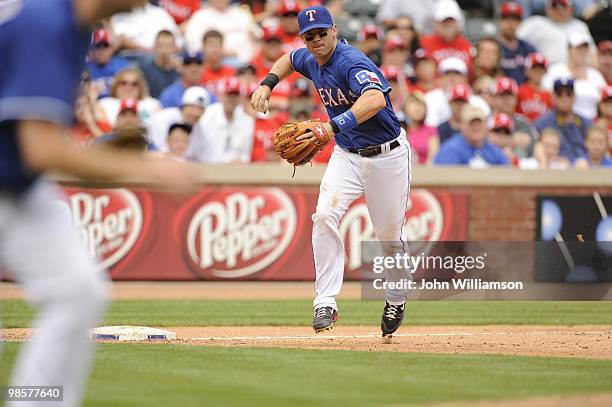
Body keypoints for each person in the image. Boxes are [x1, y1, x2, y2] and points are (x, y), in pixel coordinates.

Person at [0, 2, 197, 407]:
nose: (145, 3)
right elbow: (42, 148)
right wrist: (144, 168)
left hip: (19, 185)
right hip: (15, 180)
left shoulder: (74, 28)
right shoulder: (45, 22)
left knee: (78, 290)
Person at [251, 5, 412, 337]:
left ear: (335, 31)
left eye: (322, 33)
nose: (316, 40)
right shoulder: (309, 57)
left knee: (389, 238)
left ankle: (396, 298)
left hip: (387, 157)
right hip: (347, 155)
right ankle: (325, 300)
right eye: (310, 36)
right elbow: (290, 59)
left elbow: (375, 100)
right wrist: (267, 84)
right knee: (324, 215)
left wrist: (332, 126)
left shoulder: (351, 62)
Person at [542, 31, 606, 120]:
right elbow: (545, 97)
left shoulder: (596, 75)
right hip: (561, 120)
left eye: (585, 48)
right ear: (569, 50)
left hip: (592, 123)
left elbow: (605, 101)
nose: (582, 52)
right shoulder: (555, 71)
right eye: (578, 48)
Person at [190, 76, 255, 163]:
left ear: (240, 98)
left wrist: (241, 161)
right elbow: (199, 151)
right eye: (228, 94)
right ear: (220, 95)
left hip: (236, 171)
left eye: (235, 95)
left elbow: (246, 153)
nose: (232, 99)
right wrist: (226, 162)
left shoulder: (247, 121)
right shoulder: (207, 116)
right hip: (207, 168)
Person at [517, 0, 595, 66]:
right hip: (544, 72)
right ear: (547, 8)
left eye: (563, 6)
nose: (559, 10)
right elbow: (513, 42)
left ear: (571, 9)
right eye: (554, 6)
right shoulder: (534, 23)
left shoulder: (579, 27)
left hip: (576, 72)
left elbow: (593, 54)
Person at [184, 0, 260, 64]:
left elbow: (259, 36)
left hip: (250, 62)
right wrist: (220, 52)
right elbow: (194, 46)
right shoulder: (200, 16)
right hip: (220, 63)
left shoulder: (241, 14)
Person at [424, 57, 490, 127]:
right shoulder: (429, 98)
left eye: (457, 73)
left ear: (465, 78)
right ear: (440, 78)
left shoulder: (478, 102)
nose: (452, 78)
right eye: (448, 73)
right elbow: (429, 128)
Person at [434, 105, 509, 167]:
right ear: (461, 126)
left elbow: (507, 174)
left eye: (479, 123)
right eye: (471, 123)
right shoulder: (450, 149)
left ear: (486, 126)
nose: (476, 127)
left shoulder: (493, 150)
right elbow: (447, 180)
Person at [535, 78, 591, 161]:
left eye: (568, 94)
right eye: (559, 94)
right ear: (553, 96)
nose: (564, 98)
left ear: (574, 97)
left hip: (586, 169)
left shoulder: (585, 122)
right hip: (556, 169)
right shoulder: (543, 123)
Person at [147, 86, 209, 151]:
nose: (195, 112)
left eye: (200, 109)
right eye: (192, 107)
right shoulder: (163, 118)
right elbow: (157, 149)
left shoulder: (200, 129)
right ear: (183, 106)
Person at [490, 76, 538, 157]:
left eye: (509, 95)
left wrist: (499, 140)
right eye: (502, 95)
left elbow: (533, 147)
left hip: (517, 165)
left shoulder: (523, 123)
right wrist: (511, 140)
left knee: (520, 151)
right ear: (493, 98)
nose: (506, 99)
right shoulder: (485, 120)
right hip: (487, 165)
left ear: (516, 99)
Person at [98, 67, 162, 125]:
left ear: (141, 87)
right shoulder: (104, 103)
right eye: (123, 83)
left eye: (134, 84)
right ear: (116, 85)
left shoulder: (152, 104)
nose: (129, 87)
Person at [110, 1, 182, 52]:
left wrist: (166, 50)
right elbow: (121, 40)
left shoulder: (160, 12)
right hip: (137, 57)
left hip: (167, 57)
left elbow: (179, 41)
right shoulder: (119, 17)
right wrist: (150, 51)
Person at [420, 0, 472, 68]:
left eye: (451, 20)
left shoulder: (465, 45)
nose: (448, 24)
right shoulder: (424, 44)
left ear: (458, 23)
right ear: (436, 22)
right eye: (443, 20)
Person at [496, 2, 537, 85]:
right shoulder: (492, 46)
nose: (510, 23)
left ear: (520, 23)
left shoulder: (528, 48)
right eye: (506, 18)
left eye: (515, 19)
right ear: (500, 21)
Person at [86, 29, 131, 98]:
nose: (101, 51)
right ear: (91, 50)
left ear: (111, 48)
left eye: (105, 46)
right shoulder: (83, 68)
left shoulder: (124, 67)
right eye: (97, 46)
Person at [138, 30, 180, 99]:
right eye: (161, 46)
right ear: (155, 47)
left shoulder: (179, 72)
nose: (164, 50)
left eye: (169, 46)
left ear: (175, 48)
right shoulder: (145, 71)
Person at [516, 52, 553, 122]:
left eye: (541, 69)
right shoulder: (520, 91)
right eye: (534, 68)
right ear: (527, 70)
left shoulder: (549, 95)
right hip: (523, 129)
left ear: (546, 71)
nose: (538, 72)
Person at [404, 93, 439, 164]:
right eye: (414, 104)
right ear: (406, 108)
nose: (418, 108)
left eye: (422, 105)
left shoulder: (430, 130)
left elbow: (433, 159)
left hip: (424, 172)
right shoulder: (400, 130)